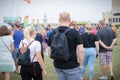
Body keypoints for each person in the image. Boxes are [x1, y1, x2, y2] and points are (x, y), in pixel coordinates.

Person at [48, 11, 84, 80]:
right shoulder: (74, 32)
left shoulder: (53, 32)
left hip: (58, 65)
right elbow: (81, 50)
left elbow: (50, 49)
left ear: (59, 20)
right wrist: (81, 65)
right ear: (70, 20)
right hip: (71, 66)